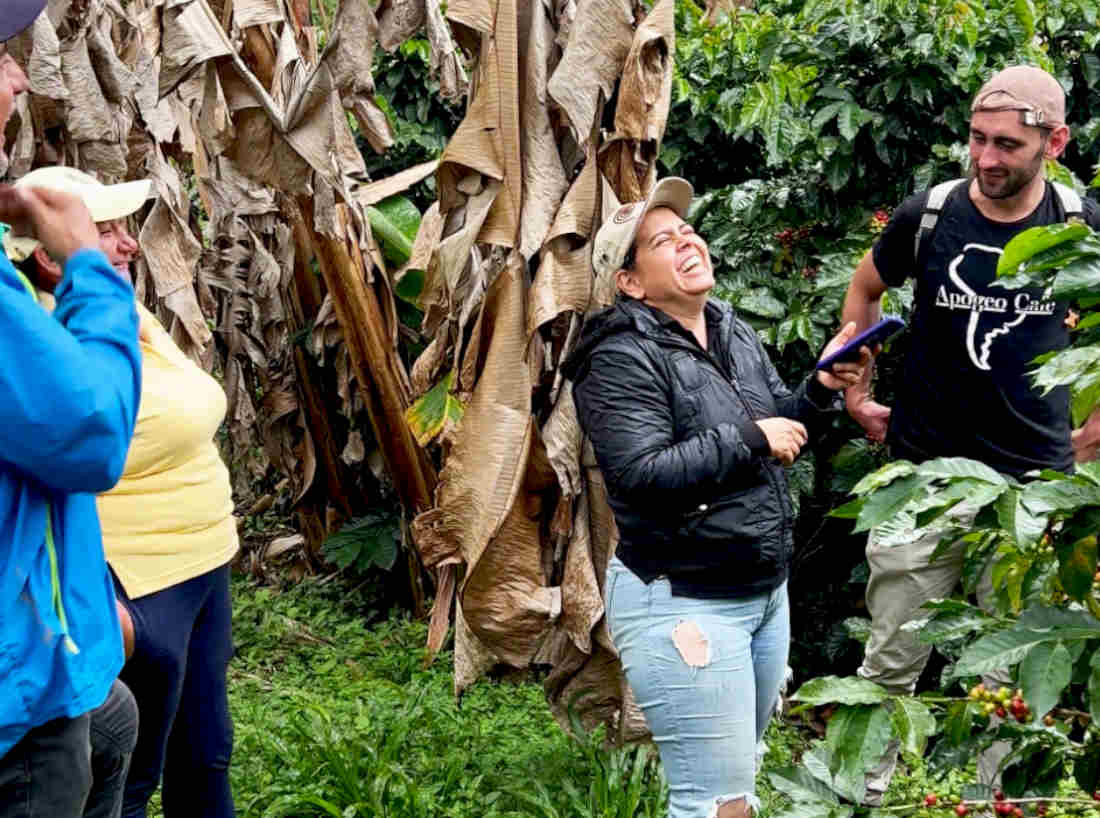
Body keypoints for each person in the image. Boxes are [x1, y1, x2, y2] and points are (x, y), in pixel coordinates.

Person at [565, 177, 870, 818]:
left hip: (762, 593)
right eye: (661, 241)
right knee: (716, 805)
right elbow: (642, 472)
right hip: (683, 599)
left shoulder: (729, 329)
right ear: (630, 284)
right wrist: (749, 437)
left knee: (739, 782)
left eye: (686, 230)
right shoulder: (618, 357)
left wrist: (816, 390)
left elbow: (776, 432)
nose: (686, 241)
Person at [841, 64, 1100, 801]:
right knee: (892, 660)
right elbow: (866, 287)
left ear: (1055, 141)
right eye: (978, 140)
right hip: (922, 483)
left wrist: (1093, 429)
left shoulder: (1082, 228)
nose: (987, 159)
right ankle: (857, 800)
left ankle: (1000, 806)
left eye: (1007, 145)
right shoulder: (931, 213)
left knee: (1012, 675)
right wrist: (857, 386)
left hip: (1033, 496)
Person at [6, 167, 239, 818]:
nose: (128, 244)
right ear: (50, 259)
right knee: (122, 774)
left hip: (202, 566)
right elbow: (84, 439)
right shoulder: (45, 337)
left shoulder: (122, 312)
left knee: (208, 754)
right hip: (135, 582)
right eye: (102, 231)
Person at [0, 4, 144, 817]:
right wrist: (89, 268)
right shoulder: (67, 297)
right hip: (17, 706)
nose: (21, 78)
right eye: (0, 60)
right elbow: (90, 433)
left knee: (116, 727)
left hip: (49, 658)